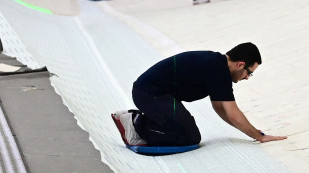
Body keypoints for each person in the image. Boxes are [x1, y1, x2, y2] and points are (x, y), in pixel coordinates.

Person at [112, 42, 287, 147]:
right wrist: (259, 137)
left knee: (188, 133)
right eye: (249, 73)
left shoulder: (217, 65)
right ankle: (136, 123)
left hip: (155, 94)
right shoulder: (218, 70)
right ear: (241, 64)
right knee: (188, 137)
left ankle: (141, 120)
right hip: (150, 94)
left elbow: (221, 108)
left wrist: (252, 131)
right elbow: (233, 113)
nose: (247, 77)